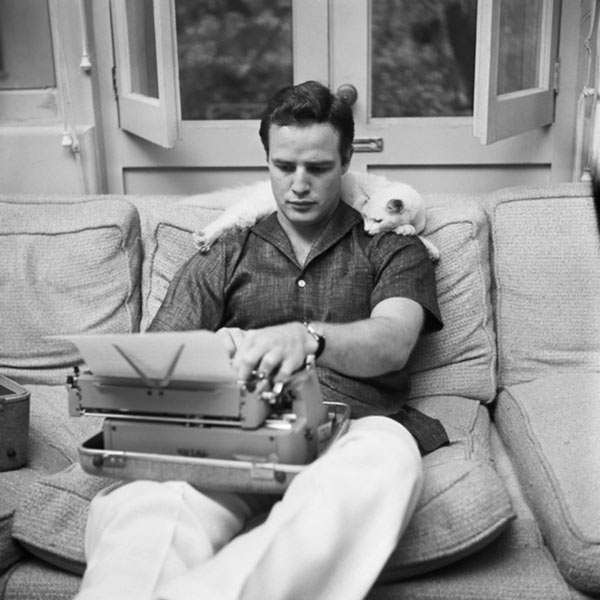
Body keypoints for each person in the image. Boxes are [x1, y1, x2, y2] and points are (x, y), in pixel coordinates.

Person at [75, 80, 446, 600]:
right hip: (240, 433)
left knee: (388, 463)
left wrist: (309, 338)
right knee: (151, 509)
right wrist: (216, 357)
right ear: (267, 160)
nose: (299, 184)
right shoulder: (226, 247)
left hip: (357, 427)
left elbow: (393, 342)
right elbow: (156, 361)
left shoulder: (391, 245)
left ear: (345, 163)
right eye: (283, 166)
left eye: (317, 168)